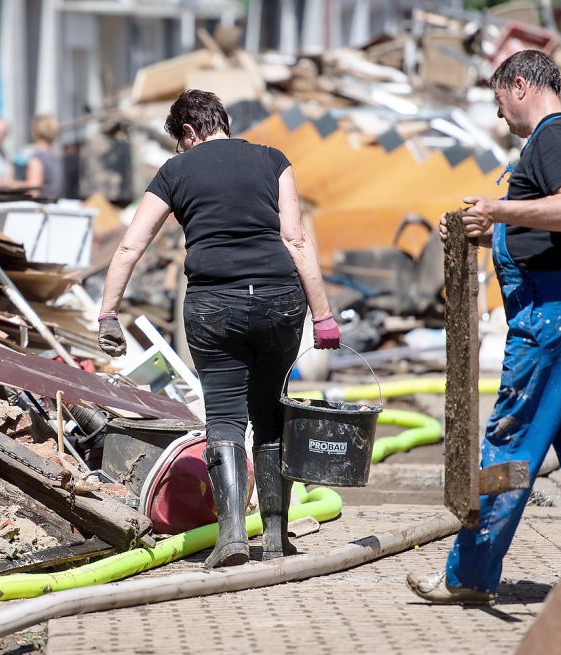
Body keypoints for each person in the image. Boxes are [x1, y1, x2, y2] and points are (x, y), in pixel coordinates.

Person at [407, 50, 561, 604]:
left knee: (510, 444)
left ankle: (468, 575)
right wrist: (485, 231)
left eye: (499, 100)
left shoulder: (555, 138)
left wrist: (499, 211)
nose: (500, 115)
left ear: (521, 85)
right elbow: (555, 231)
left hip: (554, 322)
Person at [97, 89, 341, 568]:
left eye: (179, 142)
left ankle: (231, 534)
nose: (179, 151)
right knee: (271, 413)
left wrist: (108, 312)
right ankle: (274, 536)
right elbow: (294, 237)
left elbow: (130, 247)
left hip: (214, 306)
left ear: (189, 132)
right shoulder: (274, 160)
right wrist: (323, 314)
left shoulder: (175, 172)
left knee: (225, 416)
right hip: (278, 301)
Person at [25, 115, 65, 198]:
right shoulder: (59, 157)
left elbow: (33, 193)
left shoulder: (37, 159)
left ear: (35, 132)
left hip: (45, 208)